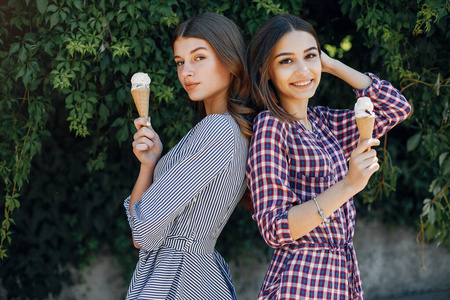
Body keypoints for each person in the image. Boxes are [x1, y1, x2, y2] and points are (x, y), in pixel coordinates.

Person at [246, 14, 411, 299]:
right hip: (302, 281)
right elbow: (274, 227)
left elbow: (396, 107)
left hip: (341, 276)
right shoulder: (270, 127)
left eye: (310, 56)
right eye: (286, 61)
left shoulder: (324, 123)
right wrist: (349, 185)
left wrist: (331, 64)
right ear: (266, 70)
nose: (302, 70)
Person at [123, 12, 253, 299]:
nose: (186, 72)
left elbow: (143, 233)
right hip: (190, 274)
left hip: (178, 279)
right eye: (180, 62)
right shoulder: (226, 130)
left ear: (230, 60)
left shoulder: (218, 128)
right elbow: (140, 235)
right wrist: (149, 165)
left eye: (199, 58)